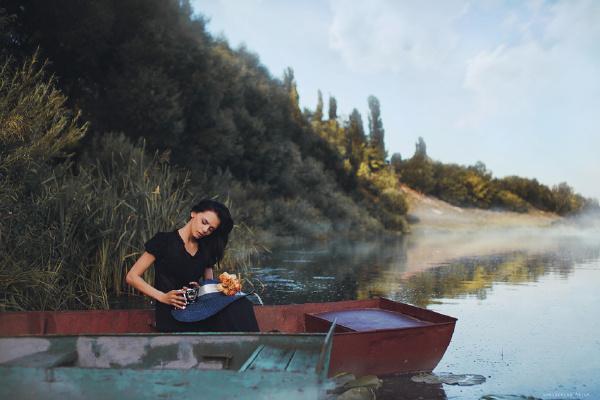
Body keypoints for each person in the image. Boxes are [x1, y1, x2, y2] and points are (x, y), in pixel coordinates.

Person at [125, 199, 259, 332]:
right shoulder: (163, 241)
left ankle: (252, 347)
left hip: (198, 309)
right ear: (193, 213)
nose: (205, 230)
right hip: (172, 313)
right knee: (231, 312)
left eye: (211, 229)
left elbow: (208, 288)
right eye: (204, 222)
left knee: (241, 302)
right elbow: (132, 277)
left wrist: (201, 288)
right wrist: (162, 297)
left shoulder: (206, 248)